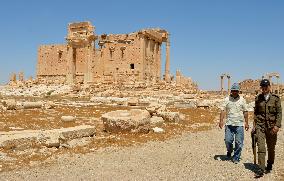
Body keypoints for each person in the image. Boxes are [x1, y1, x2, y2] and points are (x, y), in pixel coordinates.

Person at [253, 79, 282, 178]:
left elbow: (279, 113)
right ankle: (261, 169)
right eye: (262, 87)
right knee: (261, 147)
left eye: (266, 86)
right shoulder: (258, 98)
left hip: (272, 127)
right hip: (260, 126)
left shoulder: (276, 99)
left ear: (269, 87)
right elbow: (256, 113)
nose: (264, 88)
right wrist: (254, 126)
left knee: (271, 148)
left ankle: (269, 164)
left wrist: (277, 125)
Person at [219, 83, 249, 163]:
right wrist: (221, 121)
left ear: (238, 91)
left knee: (239, 143)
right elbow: (222, 110)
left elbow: (245, 111)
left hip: (239, 125)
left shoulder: (242, 100)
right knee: (228, 141)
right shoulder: (226, 99)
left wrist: (246, 122)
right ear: (231, 91)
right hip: (229, 124)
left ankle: (236, 157)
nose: (235, 92)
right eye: (233, 90)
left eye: (236, 91)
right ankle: (229, 150)